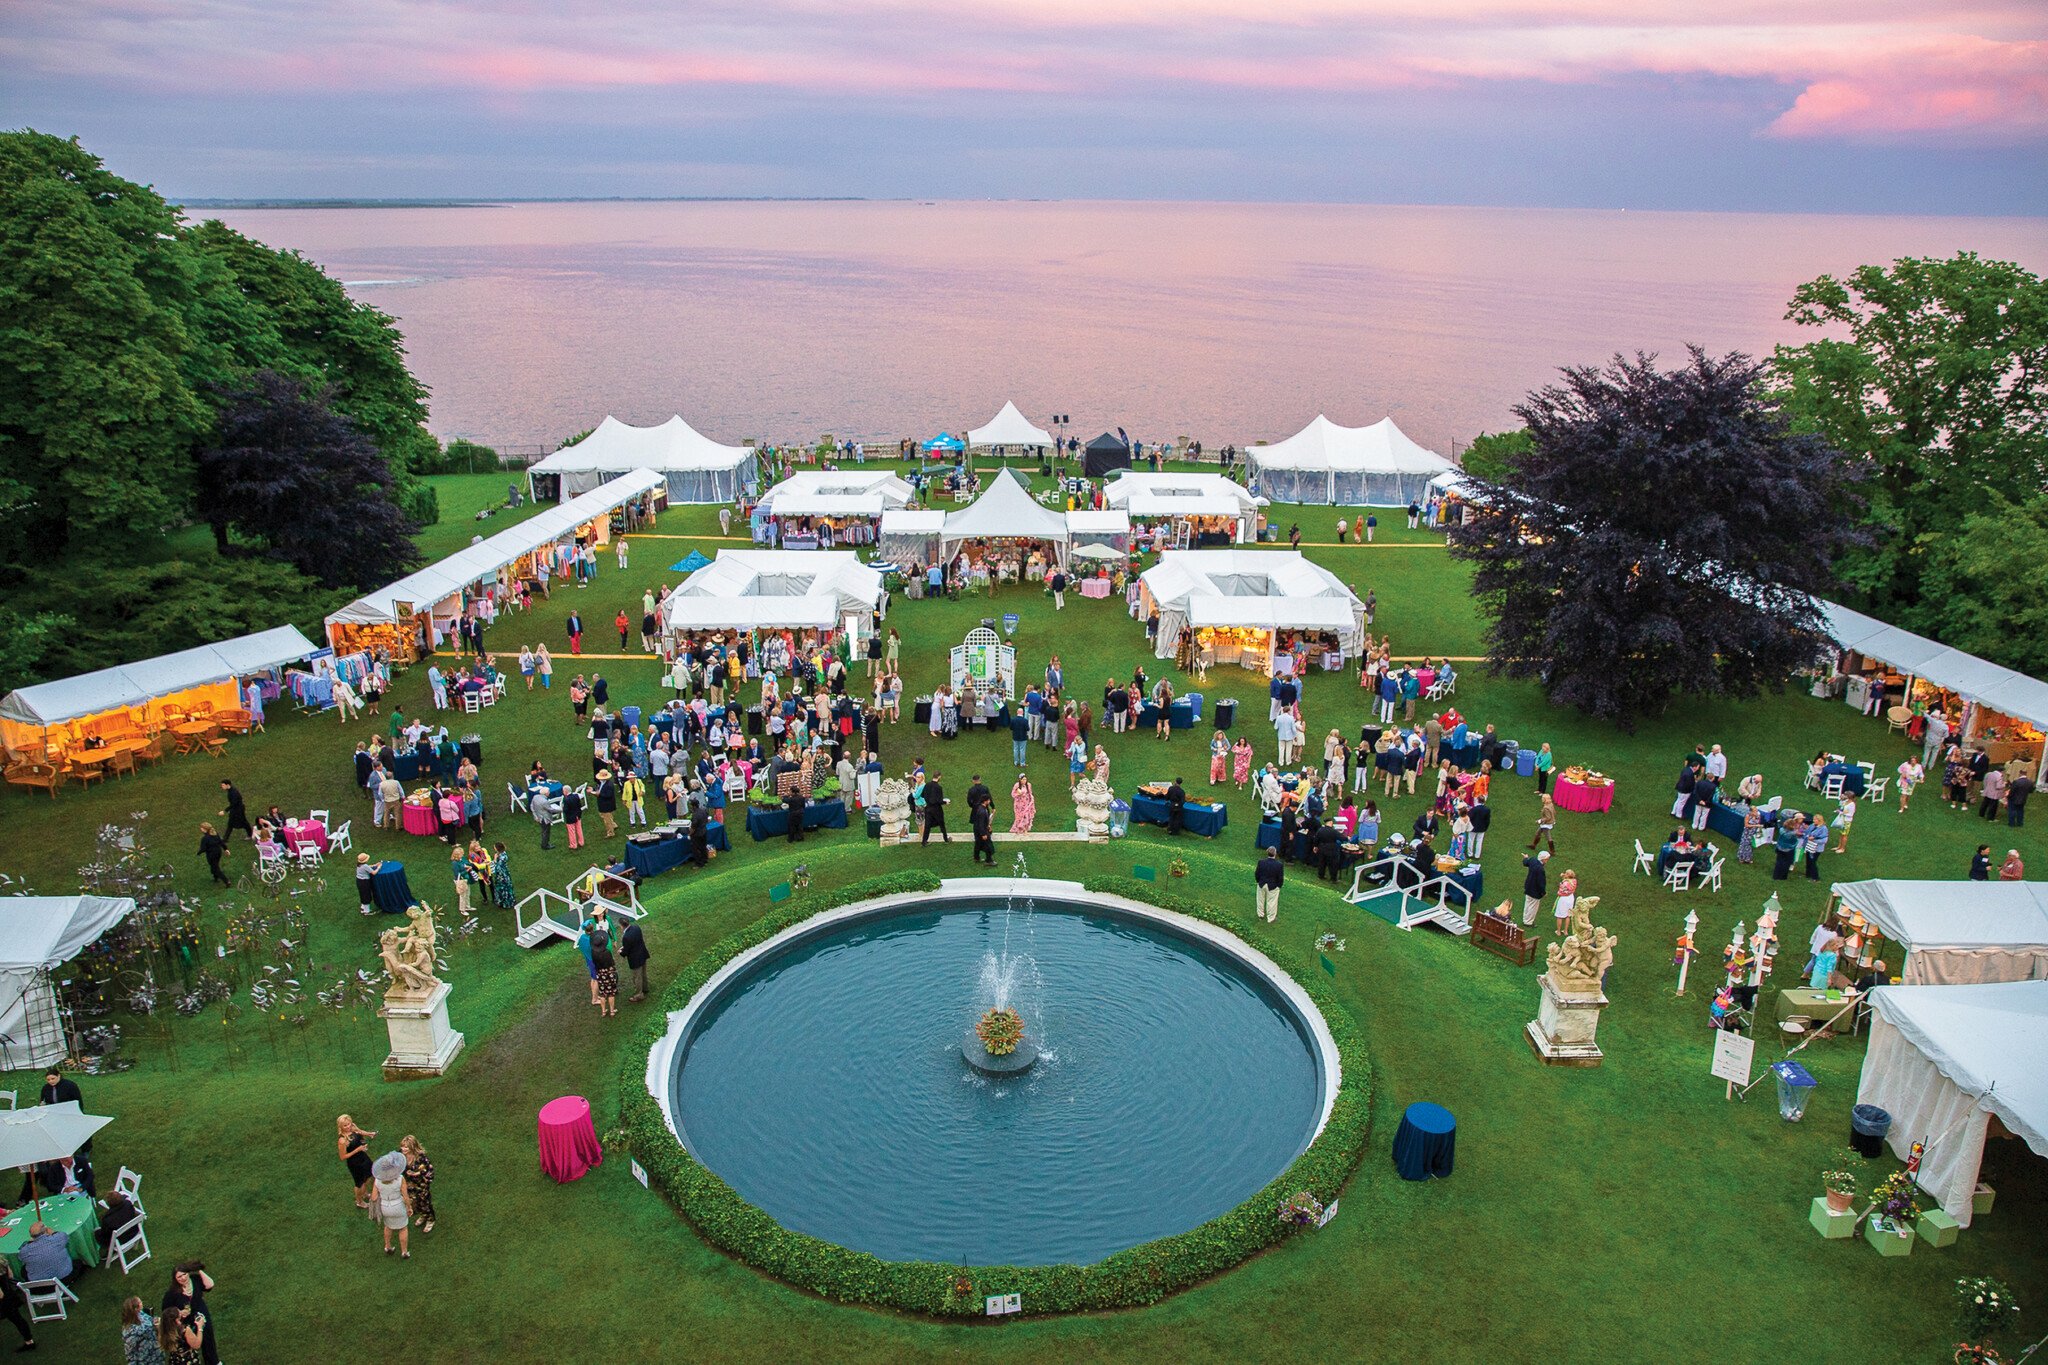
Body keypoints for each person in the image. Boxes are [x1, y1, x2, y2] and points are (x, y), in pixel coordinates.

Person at [371, 1153, 412, 1258]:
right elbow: (406, 1196)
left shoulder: (377, 1180)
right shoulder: (400, 1179)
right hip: (398, 1206)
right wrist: (409, 1207)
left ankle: (388, 1246)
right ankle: (404, 1252)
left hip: (385, 1207)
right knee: (403, 1228)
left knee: (388, 1227)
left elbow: (374, 1197)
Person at [338, 1114, 377, 1207]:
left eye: (349, 1124)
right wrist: (358, 1150)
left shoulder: (352, 1127)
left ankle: (364, 1193)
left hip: (363, 1157)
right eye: (345, 1125)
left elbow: (359, 1132)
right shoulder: (342, 1140)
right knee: (360, 1183)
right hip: (355, 1163)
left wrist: (369, 1133)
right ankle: (359, 1201)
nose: (348, 1127)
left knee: (370, 1175)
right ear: (340, 1127)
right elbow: (342, 1157)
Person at [401, 1135, 437, 1233]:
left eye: (406, 1147)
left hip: (421, 1186)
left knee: (425, 1203)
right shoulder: (401, 1155)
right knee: (415, 1203)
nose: (403, 1149)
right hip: (409, 1185)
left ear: (412, 1147)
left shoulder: (421, 1158)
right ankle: (423, 1216)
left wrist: (415, 1173)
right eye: (402, 1146)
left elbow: (429, 1172)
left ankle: (430, 1220)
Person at [0, 1261, 31, 1353]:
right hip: (10, 1296)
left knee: (17, 1320)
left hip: (4, 1302)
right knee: (18, 1320)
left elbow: (0, 1295)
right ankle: (29, 1341)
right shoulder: (2, 1261)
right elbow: (10, 1276)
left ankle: (29, 1341)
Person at [119, 1295, 159, 1364]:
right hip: (143, 1358)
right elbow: (145, 1330)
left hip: (153, 1352)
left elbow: (150, 1319)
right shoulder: (131, 1330)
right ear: (135, 1309)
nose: (142, 1303)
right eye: (140, 1302)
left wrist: (155, 1320)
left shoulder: (140, 1313)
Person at [590, 936, 619, 1017]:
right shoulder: (607, 952)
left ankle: (603, 1011)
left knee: (602, 993)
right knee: (611, 993)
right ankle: (612, 1011)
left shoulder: (593, 952)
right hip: (609, 974)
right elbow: (612, 963)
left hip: (600, 975)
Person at [621, 919, 650, 1001]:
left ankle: (639, 994)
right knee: (643, 973)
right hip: (642, 953)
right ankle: (645, 988)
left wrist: (621, 952)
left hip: (635, 959)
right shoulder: (636, 927)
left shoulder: (626, 937)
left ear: (621, 926)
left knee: (637, 977)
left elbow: (626, 951)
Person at [1520, 850, 1549, 926]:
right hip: (1535, 891)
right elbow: (1541, 883)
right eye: (1546, 859)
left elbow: (1525, 862)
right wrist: (1543, 893)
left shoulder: (1533, 860)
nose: (1547, 860)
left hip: (1528, 887)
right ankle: (1528, 922)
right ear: (1543, 859)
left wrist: (1525, 858)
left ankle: (1525, 919)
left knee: (1527, 904)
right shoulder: (1540, 869)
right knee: (1533, 907)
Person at [1254, 849, 1284, 923]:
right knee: (1272, 902)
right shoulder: (1279, 865)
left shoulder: (1261, 862)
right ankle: (1271, 918)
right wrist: (1279, 886)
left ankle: (1260, 915)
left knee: (1260, 900)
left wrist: (1258, 881)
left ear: (1267, 853)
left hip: (1262, 883)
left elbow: (1257, 873)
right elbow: (1280, 878)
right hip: (1273, 885)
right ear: (1275, 854)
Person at [196, 822, 230, 887]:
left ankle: (226, 881)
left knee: (216, 869)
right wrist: (226, 849)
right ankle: (215, 878)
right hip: (218, 853)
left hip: (211, 855)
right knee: (214, 866)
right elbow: (221, 842)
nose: (200, 829)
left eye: (201, 828)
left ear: (205, 829)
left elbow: (203, 848)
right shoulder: (215, 834)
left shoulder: (205, 839)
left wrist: (198, 853)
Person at [970, 791, 995, 865]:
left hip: (978, 830)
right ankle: (989, 860)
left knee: (978, 844)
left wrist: (988, 826)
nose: (990, 801)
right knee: (988, 845)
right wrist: (983, 834)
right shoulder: (982, 811)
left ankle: (976, 857)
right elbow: (981, 824)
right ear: (985, 801)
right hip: (981, 830)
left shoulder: (981, 808)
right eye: (989, 800)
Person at [1552, 868, 1578, 938]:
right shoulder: (1574, 881)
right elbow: (1568, 879)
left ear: (1567, 875)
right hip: (1570, 898)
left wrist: (1562, 882)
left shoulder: (1565, 883)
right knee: (1567, 915)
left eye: (1566, 873)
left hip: (1564, 899)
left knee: (1560, 915)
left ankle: (1558, 931)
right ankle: (1565, 931)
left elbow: (1561, 891)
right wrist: (1564, 877)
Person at [530, 785, 554, 850]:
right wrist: (561, 810)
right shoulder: (545, 801)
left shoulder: (535, 797)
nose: (549, 792)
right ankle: (545, 845)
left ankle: (545, 843)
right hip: (545, 819)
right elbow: (551, 810)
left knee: (544, 831)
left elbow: (532, 806)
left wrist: (535, 816)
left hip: (539, 817)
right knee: (546, 831)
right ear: (545, 793)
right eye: (548, 792)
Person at [562, 785, 585, 850]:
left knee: (571, 831)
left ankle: (573, 845)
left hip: (570, 818)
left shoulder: (566, 800)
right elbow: (579, 805)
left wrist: (563, 808)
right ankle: (581, 842)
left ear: (566, 791)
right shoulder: (576, 796)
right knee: (579, 829)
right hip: (578, 815)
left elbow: (565, 810)